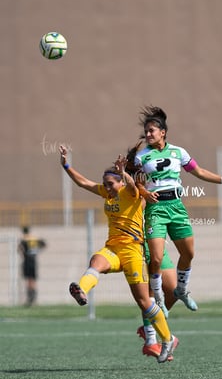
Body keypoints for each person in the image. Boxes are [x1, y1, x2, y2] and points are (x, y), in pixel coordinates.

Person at [59, 145, 178, 363]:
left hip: (133, 251)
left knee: (144, 302)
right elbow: (83, 183)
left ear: (120, 182)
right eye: (105, 184)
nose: (107, 188)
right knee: (96, 260)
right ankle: (81, 291)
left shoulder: (130, 192)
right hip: (113, 249)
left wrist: (124, 173)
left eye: (110, 184)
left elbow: (133, 185)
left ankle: (168, 338)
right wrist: (66, 165)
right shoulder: (108, 192)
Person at [134, 105, 222, 314]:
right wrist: (145, 193)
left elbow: (198, 171)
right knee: (155, 258)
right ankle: (160, 298)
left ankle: (181, 290)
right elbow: (136, 183)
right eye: (146, 131)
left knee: (188, 254)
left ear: (162, 132)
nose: (148, 134)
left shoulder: (178, 152)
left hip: (176, 207)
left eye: (151, 131)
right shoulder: (141, 157)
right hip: (155, 210)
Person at [125, 143, 178, 359]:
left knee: (173, 290)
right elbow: (135, 191)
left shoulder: (152, 181)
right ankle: (151, 340)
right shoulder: (131, 184)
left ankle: (149, 329)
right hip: (139, 241)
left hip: (154, 239)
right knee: (148, 294)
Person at [18, 225, 46, 306]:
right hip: (33, 260)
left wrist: (23, 253)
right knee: (33, 280)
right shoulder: (34, 238)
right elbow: (43, 244)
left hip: (27, 260)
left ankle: (30, 298)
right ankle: (33, 297)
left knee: (29, 280)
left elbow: (20, 248)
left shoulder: (24, 239)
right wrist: (37, 251)